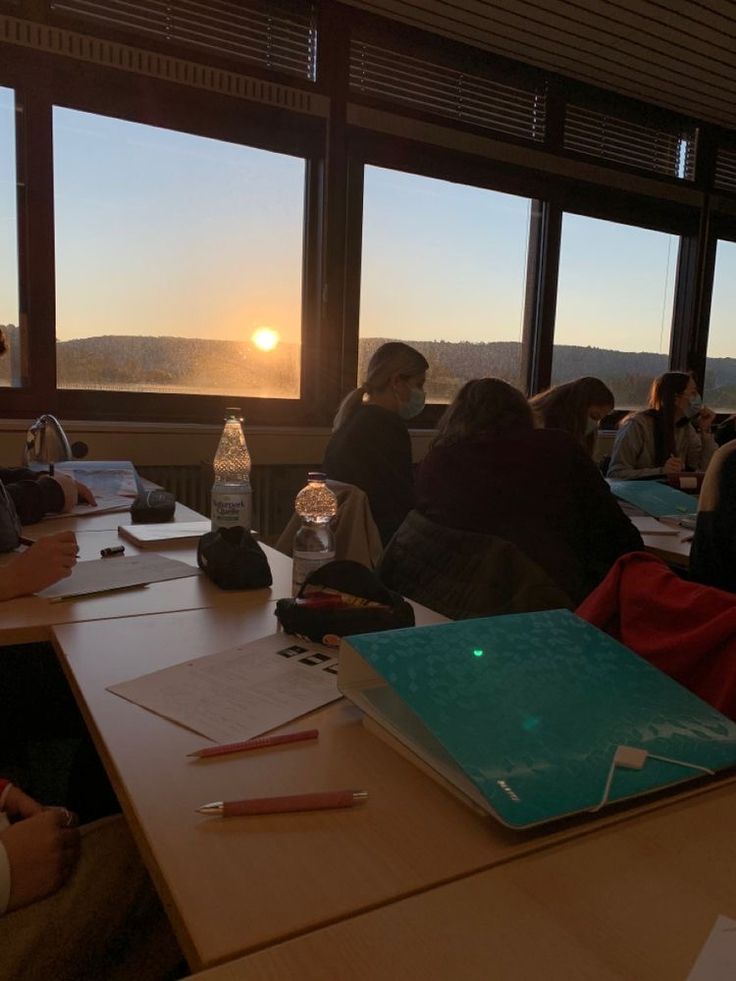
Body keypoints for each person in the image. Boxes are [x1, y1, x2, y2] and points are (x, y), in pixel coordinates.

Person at [415, 378, 643, 604]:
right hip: (546, 593)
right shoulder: (558, 447)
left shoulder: (437, 461)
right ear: (522, 413)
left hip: (450, 593)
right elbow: (617, 531)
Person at [323, 341, 429, 545]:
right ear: (396, 382)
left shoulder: (353, 419)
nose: (421, 394)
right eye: (419, 385)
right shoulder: (387, 427)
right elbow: (401, 502)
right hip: (377, 540)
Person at [607, 371, 716, 480]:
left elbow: (703, 470)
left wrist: (705, 431)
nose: (697, 398)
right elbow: (616, 474)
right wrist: (661, 472)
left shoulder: (685, 428)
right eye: (693, 393)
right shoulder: (637, 425)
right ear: (676, 398)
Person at [530, 376, 614, 456]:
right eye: (593, 416)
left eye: (599, 420)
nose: (595, 424)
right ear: (578, 407)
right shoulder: (538, 426)